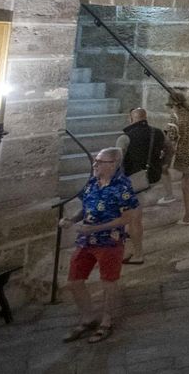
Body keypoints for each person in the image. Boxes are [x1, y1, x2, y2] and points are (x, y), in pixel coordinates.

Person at [59, 147, 139, 344]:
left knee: (108, 283)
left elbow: (127, 218)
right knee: (74, 282)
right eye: (95, 160)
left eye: (99, 161)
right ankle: (87, 318)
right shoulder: (92, 182)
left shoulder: (122, 186)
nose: (94, 164)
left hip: (109, 241)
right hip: (86, 241)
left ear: (112, 164)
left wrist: (96, 228)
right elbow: (85, 207)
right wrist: (72, 219)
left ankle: (106, 321)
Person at [115, 108, 165, 264]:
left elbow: (116, 162)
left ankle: (138, 255)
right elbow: (169, 149)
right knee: (131, 217)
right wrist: (163, 164)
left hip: (132, 182)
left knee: (134, 219)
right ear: (145, 118)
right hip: (151, 177)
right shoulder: (158, 133)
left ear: (131, 119)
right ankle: (129, 249)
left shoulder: (125, 138)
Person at [167, 90, 189, 225]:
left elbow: (171, 137)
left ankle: (187, 217)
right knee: (187, 183)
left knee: (184, 186)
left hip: (183, 152)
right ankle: (188, 215)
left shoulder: (175, 117)